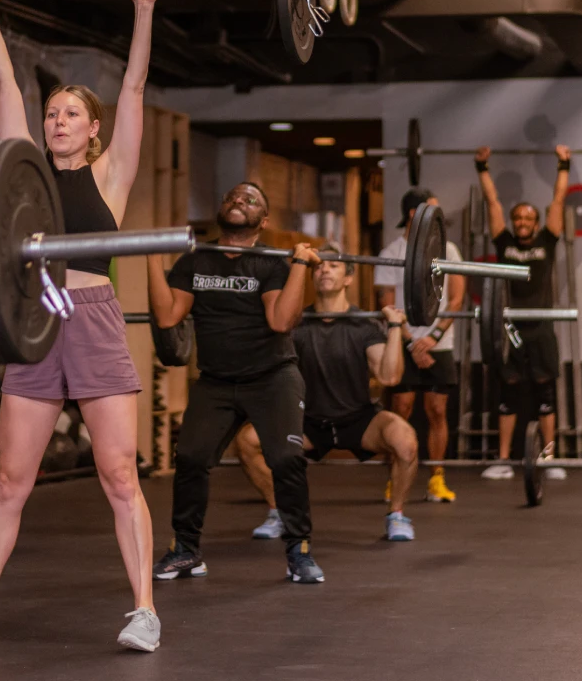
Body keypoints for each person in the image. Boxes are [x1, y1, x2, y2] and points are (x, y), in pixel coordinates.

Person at [0, 0, 161, 652]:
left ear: (93, 131)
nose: (56, 121)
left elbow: (136, 89)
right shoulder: (24, 174)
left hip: (90, 316)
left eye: (70, 115)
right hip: (34, 323)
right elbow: (6, 89)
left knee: (119, 473)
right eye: (52, 113)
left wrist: (143, 11)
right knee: (9, 480)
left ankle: (144, 610)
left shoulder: (111, 175)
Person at [146, 182, 327, 584]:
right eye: (231, 196)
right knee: (191, 457)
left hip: (273, 378)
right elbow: (167, 317)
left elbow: (281, 322)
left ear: (263, 221)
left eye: (250, 200)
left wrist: (299, 265)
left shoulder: (271, 264)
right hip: (216, 381)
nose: (237, 201)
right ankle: (186, 550)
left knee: (285, 460)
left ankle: (299, 551)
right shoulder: (196, 260)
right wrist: (152, 257)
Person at [235, 252, 421, 541]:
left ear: (348, 278)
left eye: (333, 266)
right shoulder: (296, 324)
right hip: (307, 422)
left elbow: (389, 377)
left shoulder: (364, 325)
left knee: (405, 441)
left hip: (358, 420)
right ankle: (280, 511)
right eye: (319, 266)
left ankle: (396, 516)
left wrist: (395, 327)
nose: (324, 270)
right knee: (247, 441)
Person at [477, 145, 571, 481]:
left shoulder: (548, 240)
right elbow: (493, 203)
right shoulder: (504, 244)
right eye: (518, 218)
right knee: (508, 393)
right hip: (511, 327)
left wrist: (564, 163)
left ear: (536, 222)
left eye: (528, 218)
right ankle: (503, 460)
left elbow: (558, 201)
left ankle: (548, 457)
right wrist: (481, 167)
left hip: (542, 326)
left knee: (545, 392)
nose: (522, 223)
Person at [374, 189, 466, 503]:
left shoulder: (448, 250)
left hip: (438, 343)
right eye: (433, 212)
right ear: (415, 214)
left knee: (437, 410)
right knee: (400, 411)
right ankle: (395, 479)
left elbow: (455, 298)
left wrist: (433, 338)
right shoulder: (391, 252)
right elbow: (386, 305)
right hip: (403, 343)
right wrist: (413, 343)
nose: (439, 220)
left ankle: (436, 480)